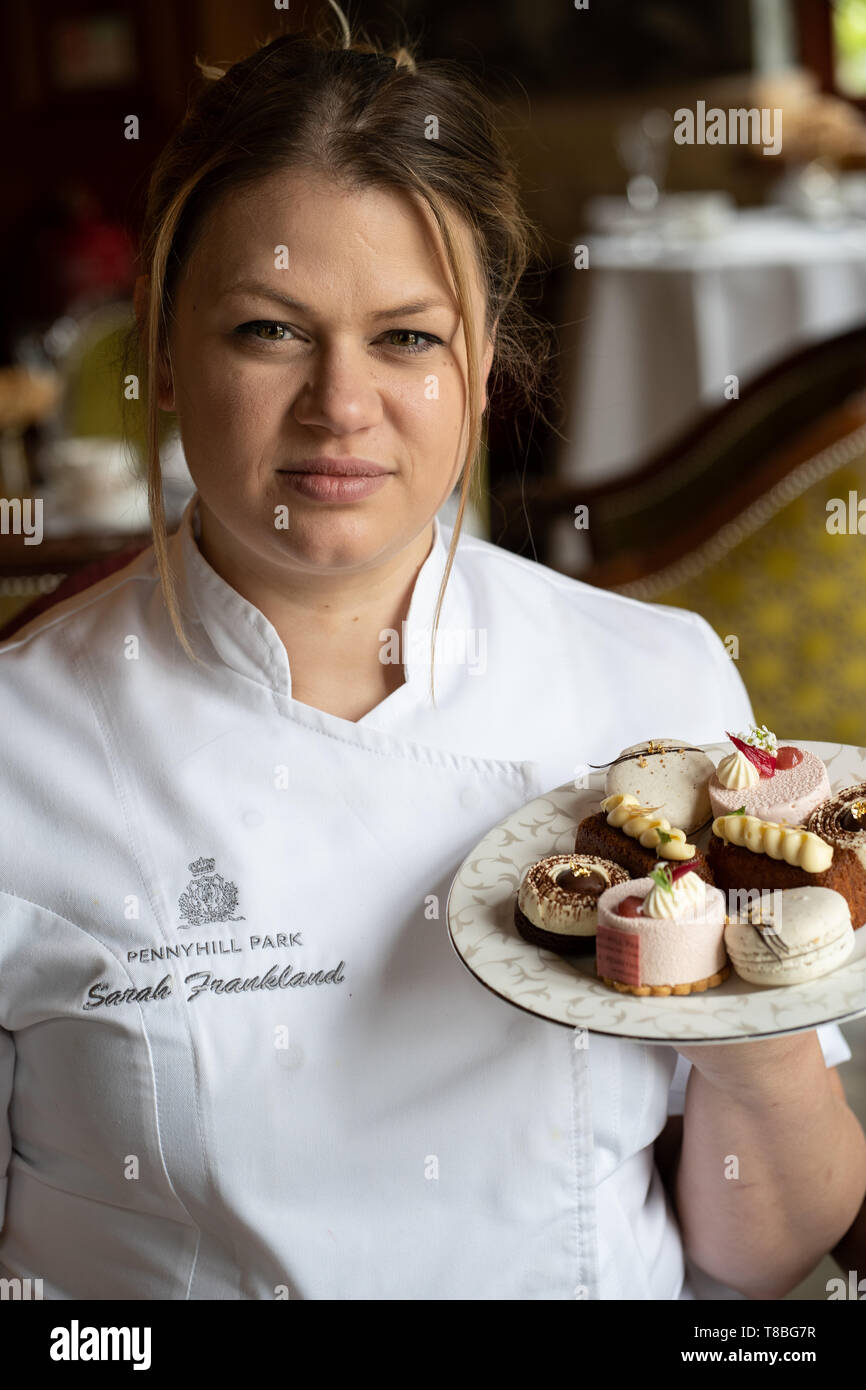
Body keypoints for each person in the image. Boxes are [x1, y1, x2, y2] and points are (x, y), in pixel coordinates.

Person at [0, 12, 864, 1302]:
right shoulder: (24, 747)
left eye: (406, 336)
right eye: (269, 330)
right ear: (164, 352)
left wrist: (746, 1017)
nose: (340, 404)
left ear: (480, 364)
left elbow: (763, 1254)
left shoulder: (662, 692)